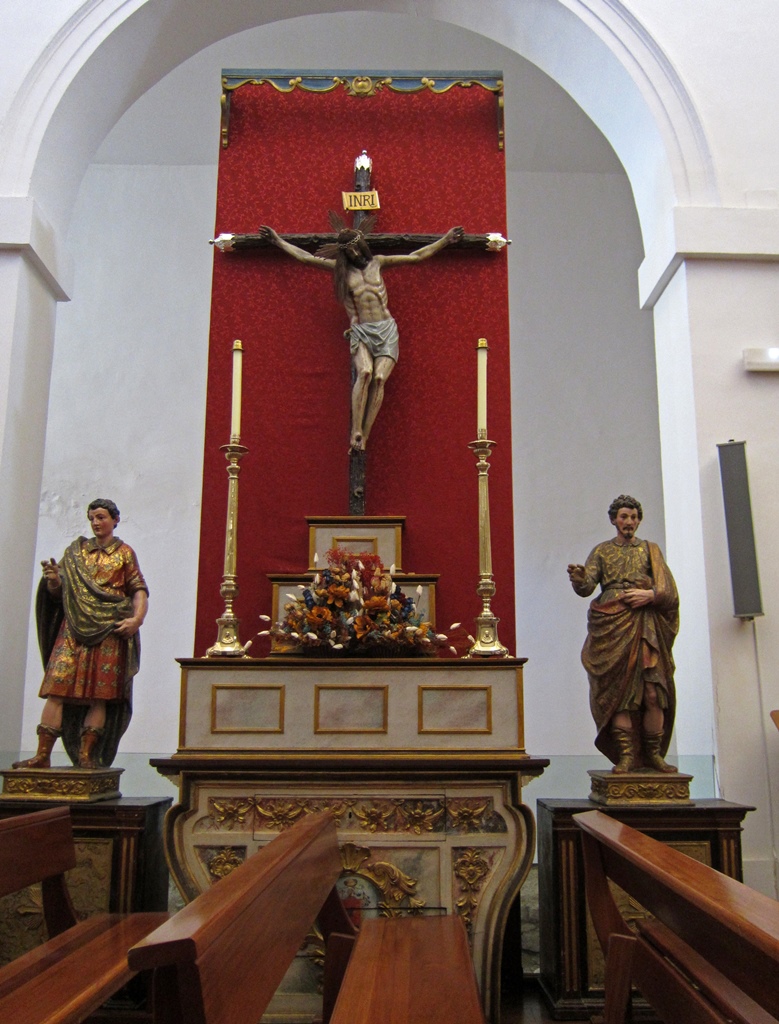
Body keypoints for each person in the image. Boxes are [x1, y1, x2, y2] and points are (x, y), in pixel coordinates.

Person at [259, 217, 463, 451]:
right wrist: (277, 241)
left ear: (363, 245)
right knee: (365, 372)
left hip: (386, 329)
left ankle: (363, 435)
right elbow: (305, 258)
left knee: (379, 378)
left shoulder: (378, 263)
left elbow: (416, 257)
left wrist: (445, 240)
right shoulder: (342, 271)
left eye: (357, 247)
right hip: (361, 331)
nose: (355, 253)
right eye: (349, 250)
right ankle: (356, 429)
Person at [13, 499, 148, 770]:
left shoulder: (124, 553)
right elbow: (58, 593)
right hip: (74, 626)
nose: (96, 523)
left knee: (99, 696)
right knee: (56, 689)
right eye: (92, 518)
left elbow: (138, 589)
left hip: (109, 629)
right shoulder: (76, 552)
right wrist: (53, 581)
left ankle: (87, 755)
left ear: (114, 520)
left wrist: (136, 619)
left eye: (101, 517)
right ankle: (43, 755)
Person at [567, 495, 679, 774]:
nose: (629, 522)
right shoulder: (602, 551)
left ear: (639, 520)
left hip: (645, 626)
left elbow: (670, 593)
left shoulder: (650, 551)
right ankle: (626, 755)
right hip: (612, 625)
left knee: (653, 692)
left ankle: (653, 754)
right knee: (620, 693)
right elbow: (587, 587)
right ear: (614, 520)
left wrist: (650, 594)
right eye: (623, 517)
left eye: (633, 517)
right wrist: (580, 577)